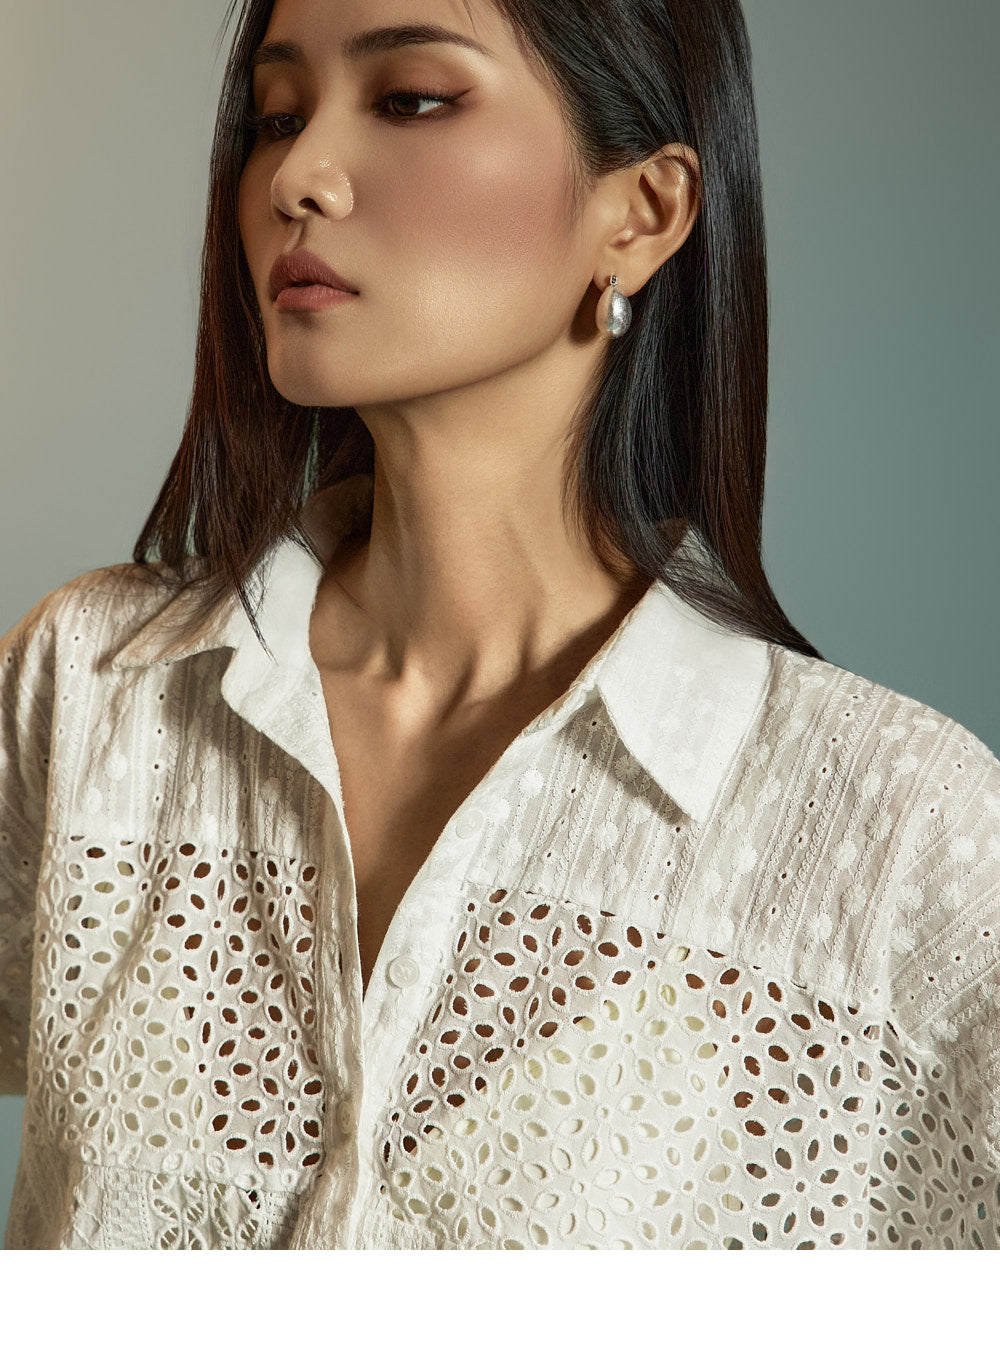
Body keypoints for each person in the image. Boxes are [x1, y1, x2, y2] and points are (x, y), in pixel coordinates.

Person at [2, 0, 998, 1251]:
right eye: (276, 115)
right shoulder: (87, 689)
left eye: (410, 100)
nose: (299, 177)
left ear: (642, 213)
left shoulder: (902, 840)